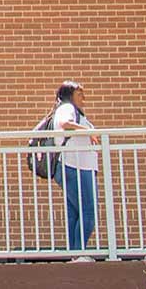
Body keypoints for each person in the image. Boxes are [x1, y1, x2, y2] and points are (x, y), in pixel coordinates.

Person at [51, 80, 99, 260]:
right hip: (76, 165)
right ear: (69, 95)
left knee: (76, 212)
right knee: (88, 211)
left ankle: (75, 254)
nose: (84, 99)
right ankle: (79, 253)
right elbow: (65, 123)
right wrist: (89, 131)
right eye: (80, 94)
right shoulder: (67, 108)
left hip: (75, 165)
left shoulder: (72, 109)